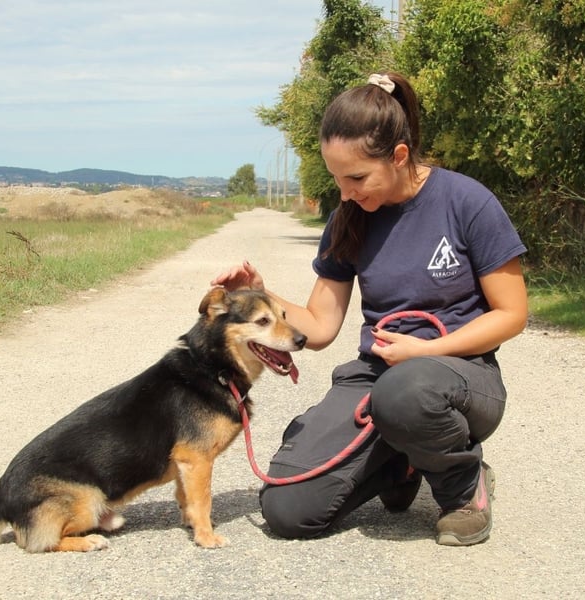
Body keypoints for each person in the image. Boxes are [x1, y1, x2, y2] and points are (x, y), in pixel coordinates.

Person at [212, 72, 528, 546]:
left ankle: (465, 490)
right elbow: (319, 327)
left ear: (399, 156)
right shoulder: (349, 218)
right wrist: (262, 295)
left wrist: (429, 350)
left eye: (357, 177)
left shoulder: (467, 202)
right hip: (380, 378)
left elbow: (512, 314)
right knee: (288, 510)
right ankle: (400, 462)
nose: (345, 193)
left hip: (462, 377)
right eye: (337, 179)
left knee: (406, 392)